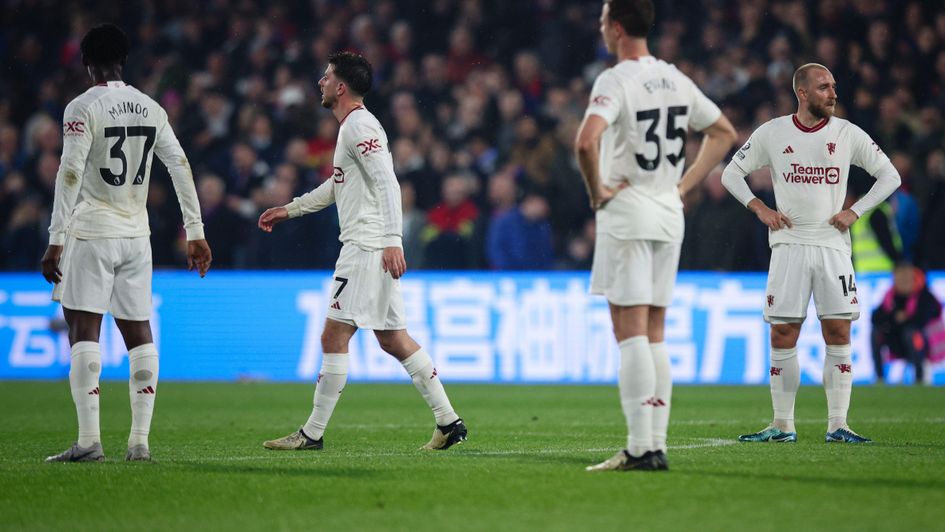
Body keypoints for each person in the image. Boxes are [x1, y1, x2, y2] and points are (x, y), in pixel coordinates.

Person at [257, 52, 467, 452]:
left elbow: (387, 182)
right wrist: (291, 209)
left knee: (333, 334)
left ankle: (312, 433)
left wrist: (392, 239)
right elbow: (337, 186)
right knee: (393, 339)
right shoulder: (353, 127)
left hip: (366, 246)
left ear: (341, 87)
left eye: (326, 77)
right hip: (372, 243)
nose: (320, 82)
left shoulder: (359, 126)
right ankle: (448, 422)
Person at [575, 0, 737, 472]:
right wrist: (683, 186)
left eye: (603, 20)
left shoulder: (616, 79)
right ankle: (655, 444)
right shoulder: (674, 77)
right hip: (668, 212)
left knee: (629, 332)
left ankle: (639, 447)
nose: (601, 28)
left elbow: (585, 141)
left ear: (616, 27)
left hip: (628, 211)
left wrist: (597, 192)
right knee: (655, 332)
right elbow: (723, 132)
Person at [40, 24, 212, 462]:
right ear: (125, 60)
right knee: (139, 332)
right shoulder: (152, 107)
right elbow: (180, 165)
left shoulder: (82, 107)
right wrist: (195, 231)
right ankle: (139, 443)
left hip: (93, 231)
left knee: (84, 329)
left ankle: (88, 442)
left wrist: (55, 238)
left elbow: (70, 171)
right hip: (137, 236)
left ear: (86, 63)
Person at [721, 63, 901, 444]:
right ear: (802, 93)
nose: (833, 93)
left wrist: (856, 211)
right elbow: (730, 174)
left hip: (833, 246)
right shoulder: (773, 133)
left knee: (838, 330)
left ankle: (838, 424)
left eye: (833, 86)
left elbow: (890, 175)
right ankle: (782, 425)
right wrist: (760, 208)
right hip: (789, 246)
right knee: (783, 332)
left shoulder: (847, 133)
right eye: (823, 87)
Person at [871, 263, 943, 384]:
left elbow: (922, 320)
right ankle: (879, 378)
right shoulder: (890, 296)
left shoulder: (924, 295)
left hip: (925, 345)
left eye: (906, 279)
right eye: (899, 279)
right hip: (899, 342)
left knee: (912, 333)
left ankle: (919, 377)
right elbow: (875, 318)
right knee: (876, 332)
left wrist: (904, 318)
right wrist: (895, 317)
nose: (902, 282)